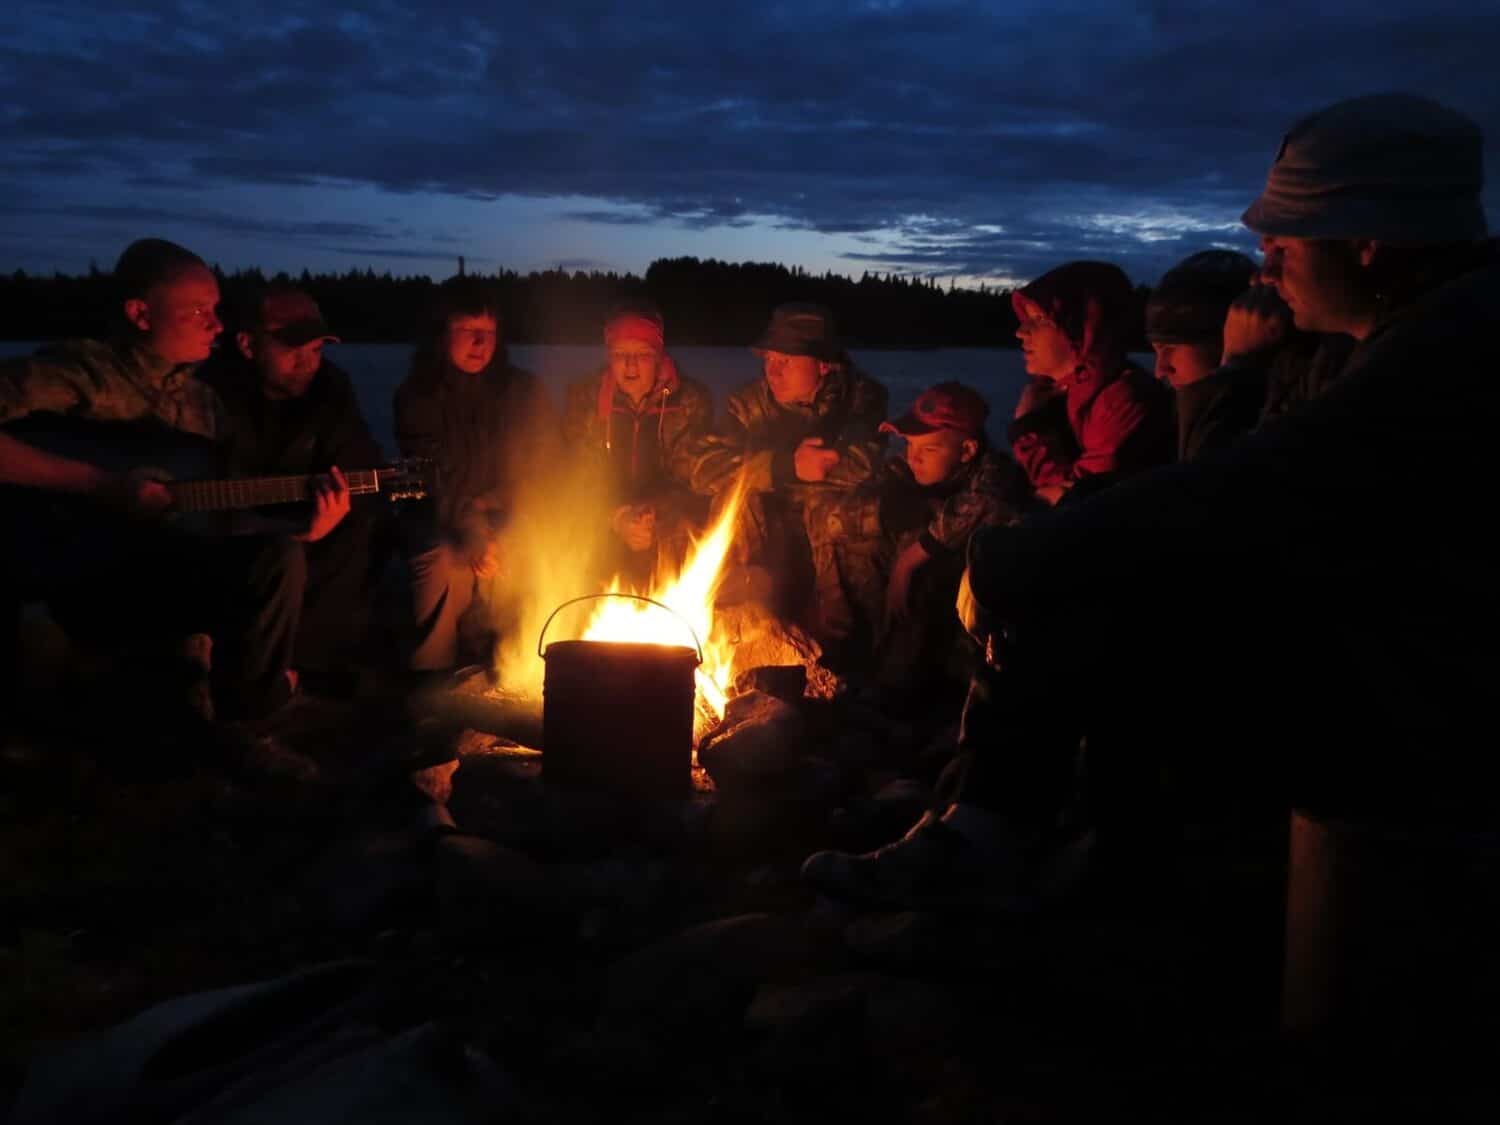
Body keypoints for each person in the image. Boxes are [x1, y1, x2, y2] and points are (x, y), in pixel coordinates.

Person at [802, 92, 1499, 910]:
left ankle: (1024, 856)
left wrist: (1018, 555)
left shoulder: (1448, 353)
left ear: (1369, 242)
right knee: (1103, 587)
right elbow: (1258, 480)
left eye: (1280, 244)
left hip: (1436, 710)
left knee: (1087, 590)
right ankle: (1018, 835)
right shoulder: (1399, 336)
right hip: (1390, 654)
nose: (1265, 272)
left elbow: (1241, 485)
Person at [0, 239, 306, 733]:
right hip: (70, 572)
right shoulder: (82, 376)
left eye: (217, 310)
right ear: (141, 314)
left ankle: (249, 725)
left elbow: (214, 506)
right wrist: (100, 485)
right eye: (199, 311)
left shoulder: (204, 403)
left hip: (155, 569)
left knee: (278, 558)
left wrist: (304, 525)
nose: (218, 325)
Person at [199, 285, 386, 691]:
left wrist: (333, 508)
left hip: (299, 513)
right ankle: (253, 684)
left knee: (361, 522)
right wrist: (293, 532)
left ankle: (317, 669)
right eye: (293, 349)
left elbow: (358, 456)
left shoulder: (329, 387)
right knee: (280, 555)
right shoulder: (208, 392)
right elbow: (203, 501)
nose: (309, 363)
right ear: (248, 345)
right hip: (223, 533)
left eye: (317, 350)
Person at [807, 381, 1031, 702]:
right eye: (909, 446)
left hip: (980, 602)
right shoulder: (911, 467)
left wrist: (905, 564)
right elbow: (875, 483)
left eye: (928, 449)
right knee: (839, 517)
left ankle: (902, 681)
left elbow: (975, 509)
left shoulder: (994, 474)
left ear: (967, 450)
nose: (914, 459)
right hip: (930, 582)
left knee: (916, 550)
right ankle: (848, 640)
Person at [682, 302, 888, 637]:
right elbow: (704, 468)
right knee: (734, 499)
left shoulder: (861, 398)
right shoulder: (747, 404)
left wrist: (768, 467)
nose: (773, 372)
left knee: (837, 509)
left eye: (786, 361)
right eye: (769, 361)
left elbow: (859, 464)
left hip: (833, 540)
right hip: (767, 530)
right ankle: (748, 625)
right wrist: (783, 466)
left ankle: (847, 639)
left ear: (823, 366)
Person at [393, 277, 556, 676]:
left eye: (489, 333)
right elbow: (433, 476)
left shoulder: (523, 390)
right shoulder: (418, 395)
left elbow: (544, 466)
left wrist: (496, 514)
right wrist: (471, 524)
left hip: (509, 513)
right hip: (439, 517)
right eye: (468, 332)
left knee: (531, 550)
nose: (481, 345)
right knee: (442, 563)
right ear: (442, 334)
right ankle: (432, 680)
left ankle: (517, 670)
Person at [1149, 250, 1356, 461]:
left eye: (1170, 347)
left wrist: (1230, 367)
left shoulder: (1301, 405)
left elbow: (1206, 485)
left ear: (1233, 330)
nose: (1160, 370)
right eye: (1156, 350)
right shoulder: (1167, 419)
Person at [561, 301, 712, 587]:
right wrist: (616, 517)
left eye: (642, 354)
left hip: (661, 520)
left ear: (658, 357)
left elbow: (690, 479)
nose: (630, 365)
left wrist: (647, 515)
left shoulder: (688, 402)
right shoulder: (586, 399)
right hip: (602, 518)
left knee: (688, 531)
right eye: (620, 354)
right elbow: (579, 474)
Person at [1009, 261, 1173, 503]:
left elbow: (1081, 502)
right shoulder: (1059, 391)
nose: (1021, 332)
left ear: (1084, 329)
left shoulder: (1123, 399)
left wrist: (1027, 428)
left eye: (1040, 319)